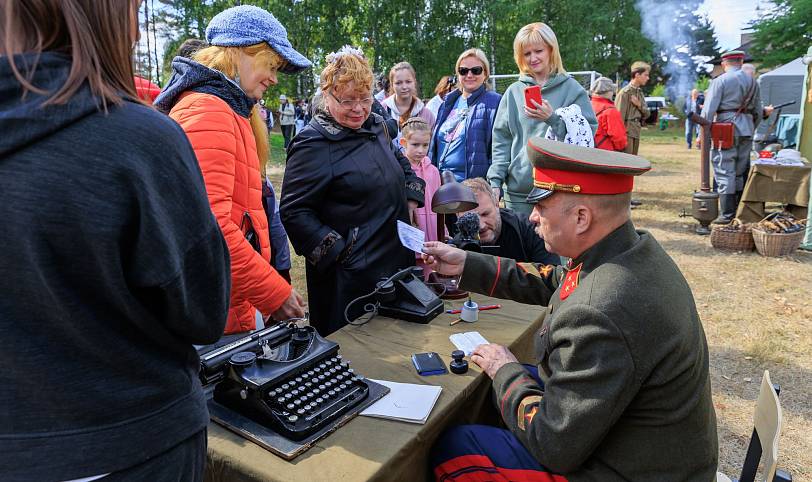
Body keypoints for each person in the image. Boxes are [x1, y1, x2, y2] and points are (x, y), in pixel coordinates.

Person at [0, 1, 230, 480]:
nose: (137, 30)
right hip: (135, 442)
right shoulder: (139, 142)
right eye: (132, 10)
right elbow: (204, 308)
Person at [423, 138, 718, 481]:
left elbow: (552, 444)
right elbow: (559, 279)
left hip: (629, 470)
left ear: (581, 217)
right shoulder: (632, 252)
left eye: (542, 206)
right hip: (653, 450)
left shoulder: (600, 311)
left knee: (455, 447)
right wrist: (467, 263)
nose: (532, 216)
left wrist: (505, 370)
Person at [155, 5, 309, 334]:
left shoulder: (226, 108)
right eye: (271, 64)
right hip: (215, 312)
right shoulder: (210, 110)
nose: (273, 77)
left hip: (229, 301)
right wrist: (273, 293)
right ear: (239, 52)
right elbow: (211, 229)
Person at [280, 46, 426, 336]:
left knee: (398, 341)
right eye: (348, 101)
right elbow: (294, 211)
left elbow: (399, 159)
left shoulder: (375, 125)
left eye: (365, 98)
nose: (359, 109)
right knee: (356, 352)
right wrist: (342, 251)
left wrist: (410, 194)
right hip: (350, 278)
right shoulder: (313, 144)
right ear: (328, 95)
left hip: (394, 259)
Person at [488, 22, 597, 217]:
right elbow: (501, 141)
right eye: (526, 54)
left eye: (538, 51)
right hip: (518, 193)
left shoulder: (572, 89)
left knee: (553, 248)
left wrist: (553, 119)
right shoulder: (513, 92)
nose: (533, 58)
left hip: (559, 190)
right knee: (520, 247)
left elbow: (587, 134)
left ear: (551, 50)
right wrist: (495, 182)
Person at [701, 50, 762, 224]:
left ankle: (726, 215)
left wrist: (702, 135)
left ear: (724, 64)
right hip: (747, 129)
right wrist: (750, 127)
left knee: (724, 169)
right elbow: (758, 111)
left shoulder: (720, 81)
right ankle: (738, 211)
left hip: (724, 130)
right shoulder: (753, 81)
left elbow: (708, 111)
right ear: (741, 62)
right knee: (740, 171)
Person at [430, 49, 502, 182]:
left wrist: (493, 186)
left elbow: (499, 150)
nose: (469, 75)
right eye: (463, 71)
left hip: (472, 188)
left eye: (476, 70)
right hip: (440, 184)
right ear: (458, 74)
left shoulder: (495, 102)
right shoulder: (448, 102)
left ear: (485, 73)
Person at [461, 178, 559, 265]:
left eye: (485, 214)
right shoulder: (458, 244)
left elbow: (552, 278)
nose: (481, 226)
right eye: (471, 218)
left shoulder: (530, 231)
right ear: (458, 217)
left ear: (497, 204)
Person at [400, 117, 444, 246]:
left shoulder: (434, 171)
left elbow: (439, 205)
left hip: (433, 230)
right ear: (403, 142)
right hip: (410, 231)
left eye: (425, 145)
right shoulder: (399, 170)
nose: (421, 150)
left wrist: (443, 230)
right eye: (415, 145)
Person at [382, 61, 436, 137]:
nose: (404, 87)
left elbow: (431, 146)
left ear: (414, 82)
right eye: (398, 83)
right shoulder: (382, 110)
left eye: (408, 82)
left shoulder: (426, 115)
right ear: (392, 85)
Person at [616, 61, 651, 156]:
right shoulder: (625, 93)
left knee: (633, 161)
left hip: (636, 130)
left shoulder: (639, 93)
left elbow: (647, 114)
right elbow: (619, 118)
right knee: (626, 161)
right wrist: (620, 137)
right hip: (626, 132)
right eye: (645, 75)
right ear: (637, 75)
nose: (648, 78)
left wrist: (639, 105)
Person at [589, 76, 627, 152]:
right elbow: (619, 139)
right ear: (608, 91)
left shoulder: (586, 105)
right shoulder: (610, 111)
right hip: (605, 154)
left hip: (585, 151)